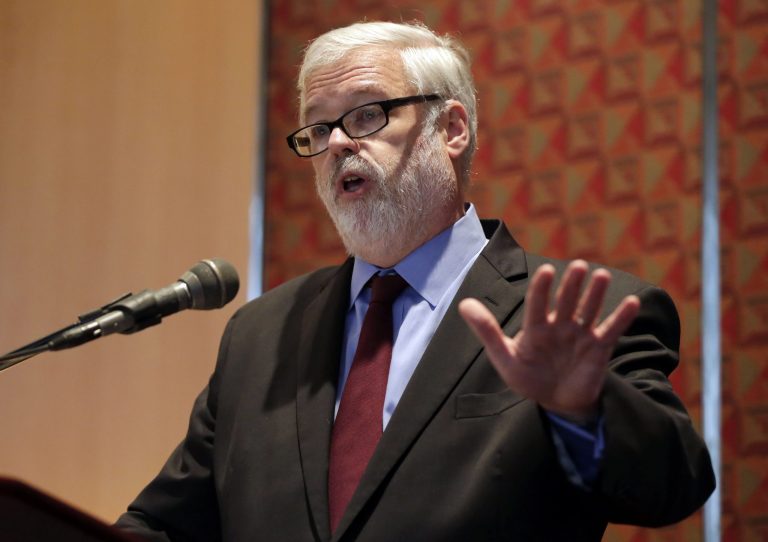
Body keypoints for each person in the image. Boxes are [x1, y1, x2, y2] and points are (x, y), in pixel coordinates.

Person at [116, 20, 715, 541]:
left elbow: (674, 486)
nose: (338, 145)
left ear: (451, 129)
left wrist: (583, 408)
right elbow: (169, 524)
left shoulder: (577, 314)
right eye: (318, 130)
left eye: (367, 113)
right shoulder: (260, 336)